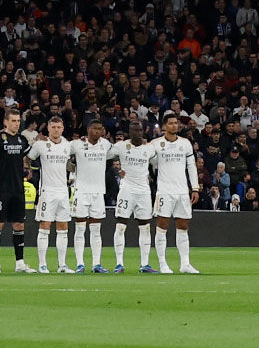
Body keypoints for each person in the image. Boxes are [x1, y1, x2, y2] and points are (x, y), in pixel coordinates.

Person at [149, 114, 200, 273]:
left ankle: (185, 264)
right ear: (164, 126)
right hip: (164, 191)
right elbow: (146, 161)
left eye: (175, 123)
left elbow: (191, 166)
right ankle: (163, 263)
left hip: (182, 191)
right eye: (170, 123)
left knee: (183, 226)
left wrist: (195, 188)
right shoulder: (156, 144)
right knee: (162, 226)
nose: (174, 126)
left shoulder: (185, 144)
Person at [0, 109, 33, 273]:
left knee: (19, 224)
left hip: (18, 189)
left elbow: (26, 157)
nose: (16, 124)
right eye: (13, 121)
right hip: (0, 189)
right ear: (6, 122)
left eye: (18, 121)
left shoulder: (22, 140)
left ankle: (20, 263)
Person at [32, 116, 74, 273]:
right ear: (48, 128)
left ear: (62, 129)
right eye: (53, 127)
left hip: (63, 192)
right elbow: (28, 159)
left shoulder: (68, 145)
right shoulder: (40, 145)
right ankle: (42, 264)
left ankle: (62, 265)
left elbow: (71, 164)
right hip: (47, 192)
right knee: (44, 226)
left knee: (63, 228)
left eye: (59, 127)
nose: (56, 130)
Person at [70, 119, 112, 272]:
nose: (97, 132)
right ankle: (80, 264)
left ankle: (96, 264)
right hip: (81, 191)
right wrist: (71, 168)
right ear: (88, 130)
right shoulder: (76, 144)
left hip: (98, 192)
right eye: (94, 129)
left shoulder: (106, 144)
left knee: (96, 229)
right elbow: (62, 154)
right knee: (80, 228)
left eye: (100, 129)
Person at [112, 120, 154, 272]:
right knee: (121, 225)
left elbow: (157, 163)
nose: (139, 133)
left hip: (143, 191)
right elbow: (104, 156)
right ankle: (119, 264)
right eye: (135, 130)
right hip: (127, 190)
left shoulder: (149, 149)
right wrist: (116, 170)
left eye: (140, 130)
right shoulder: (121, 146)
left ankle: (144, 264)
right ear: (129, 132)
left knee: (145, 227)